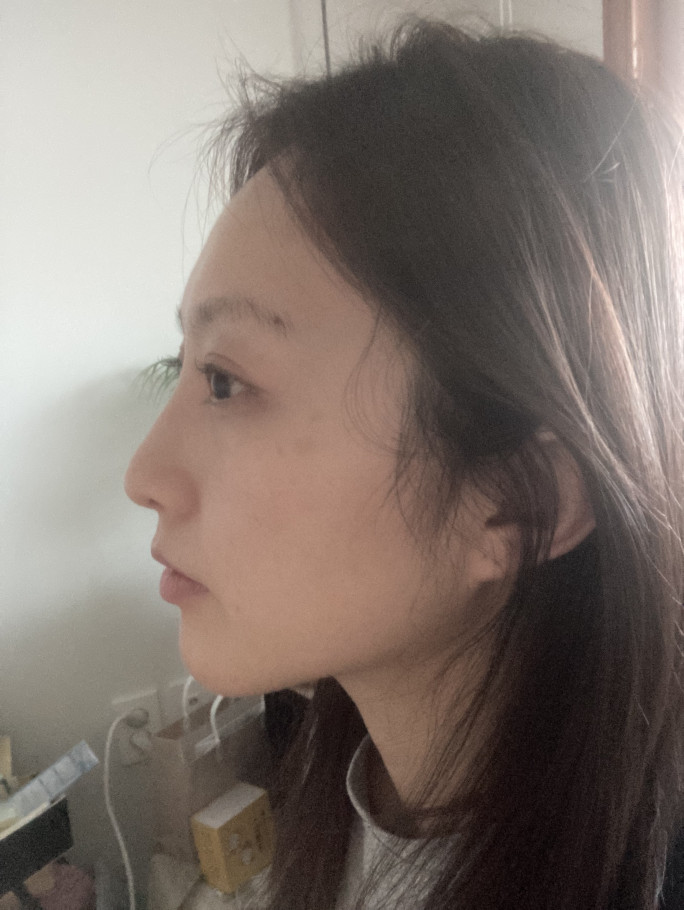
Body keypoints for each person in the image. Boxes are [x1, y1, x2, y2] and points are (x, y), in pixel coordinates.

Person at [124, 17, 684, 910]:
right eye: (187, 366)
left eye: (226, 381)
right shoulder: (353, 786)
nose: (143, 475)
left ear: (513, 500)